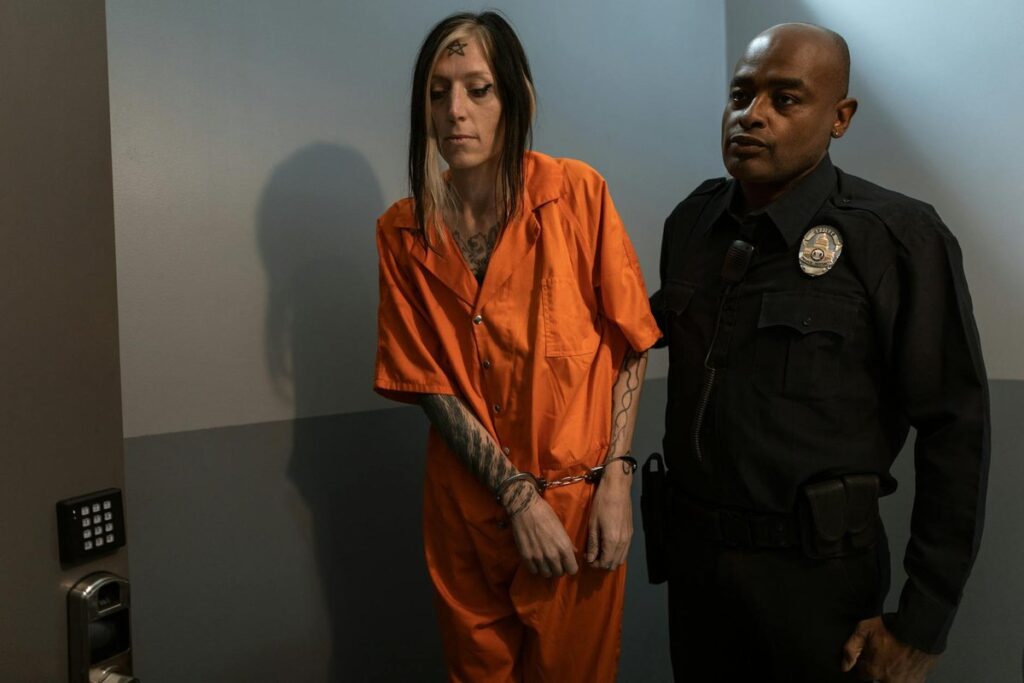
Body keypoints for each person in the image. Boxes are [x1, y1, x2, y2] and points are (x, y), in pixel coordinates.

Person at [646, 22, 990, 683]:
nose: (752, 115)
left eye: (785, 98)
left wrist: (922, 618)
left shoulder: (896, 237)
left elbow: (957, 427)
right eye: (741, 94)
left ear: (840, 117)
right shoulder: (692, 224)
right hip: (696, 580)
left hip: (819, 587)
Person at [374, 12, 661, 682]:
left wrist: (617, 478)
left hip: (576, 508)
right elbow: (428, 381)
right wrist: (513, 494)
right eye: (438, 91)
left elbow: (632, 339)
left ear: (516, 99)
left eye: (479, 89)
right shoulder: (402, 230)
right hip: (466, 514)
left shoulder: (577, 195)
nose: (456, 111)